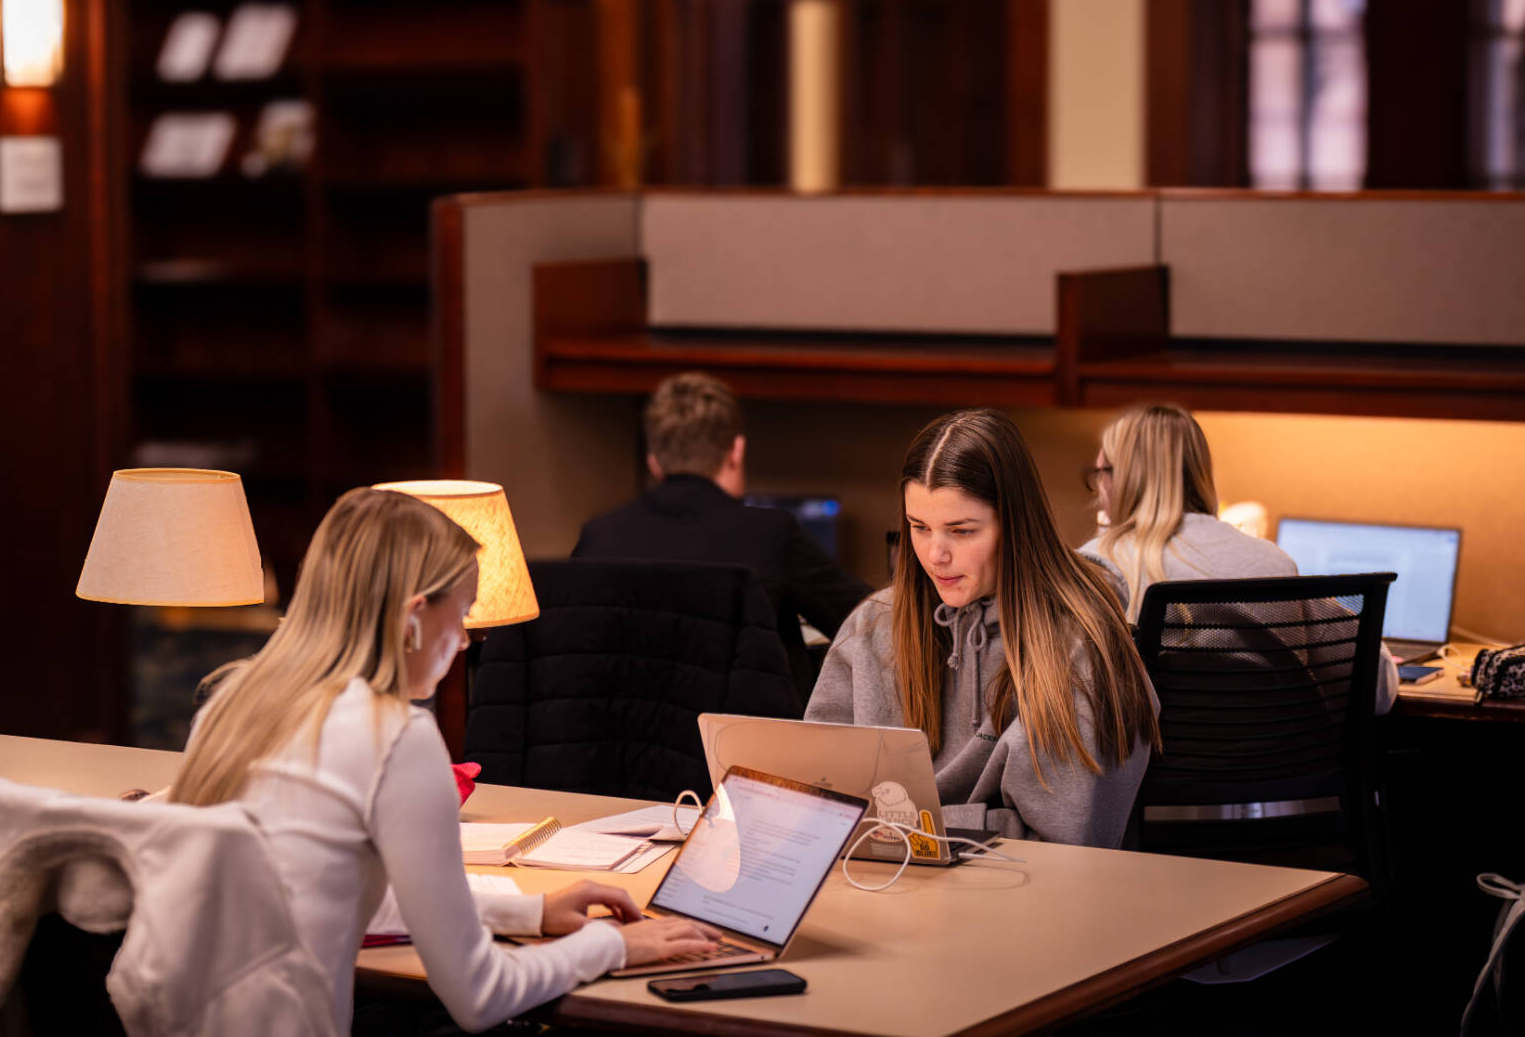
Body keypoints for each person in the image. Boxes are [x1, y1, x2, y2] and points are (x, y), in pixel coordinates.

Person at [166, 487, 720, 1034]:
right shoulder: (397, 738)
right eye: (462, 618)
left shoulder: (231, 701)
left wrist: (531, 913)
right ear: (413, 617)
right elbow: (479, 996)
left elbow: (342, 900)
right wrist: (612, 945)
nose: (462, 645)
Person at [807, 408, 1160, 847]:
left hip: (1021, 891)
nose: (935, 555)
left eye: (962, 531)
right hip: (880, 878)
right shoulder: (873, 624)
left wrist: (904, 828)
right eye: (919, 527)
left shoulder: (1078, 644)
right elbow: (820, 798)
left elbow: (1066, 838)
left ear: (1015, 527)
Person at [1080, 403, 1396, 713]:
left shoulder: (1092, 568)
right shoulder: (1272, 565)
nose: (1099, 494)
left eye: (1100, 474)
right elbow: (1378, 691)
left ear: (1123, 479)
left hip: (1157, 764)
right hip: (1277, 762)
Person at [572, 371, 867, 701]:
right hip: (743, 748)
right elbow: (870, 626)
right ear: (736, 451)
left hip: (627, 743)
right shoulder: (771, 534)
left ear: (654, 462)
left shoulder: (598, 537)